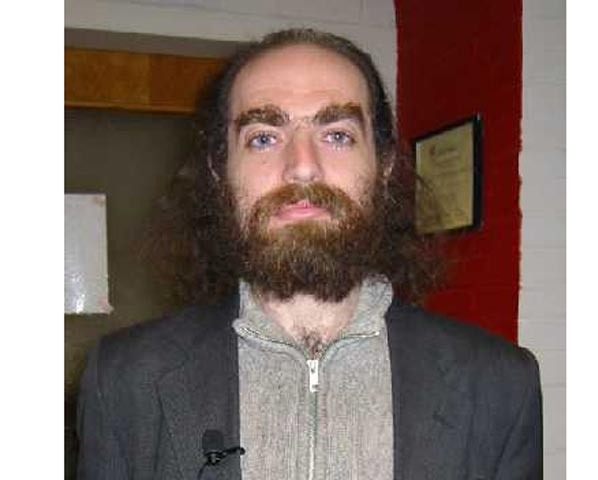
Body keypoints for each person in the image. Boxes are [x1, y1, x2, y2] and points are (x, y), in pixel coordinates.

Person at [76, 28, 542, 480]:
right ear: (220, 171)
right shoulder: (123, 379)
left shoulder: (499, 385)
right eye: (263, 137)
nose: (302, 166)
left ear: (384, 163)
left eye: (336, 134)